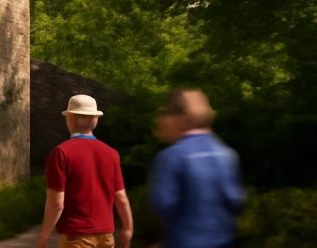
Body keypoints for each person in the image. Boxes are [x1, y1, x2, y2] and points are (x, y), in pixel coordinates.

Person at [149, 89, 245, 248]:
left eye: (165, 113)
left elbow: (163, 204)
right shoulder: (227, 154)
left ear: (180, 118)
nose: (160, 120)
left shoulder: (172, 157)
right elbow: (235, 199)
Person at [37, 95, 133, 248]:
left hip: (76, 236)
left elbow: (57, 202)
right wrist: (127, 229)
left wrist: (44, 235)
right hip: (106, 237)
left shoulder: (61, 152)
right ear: (95, 120)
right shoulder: (111, 154)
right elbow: (121, 197)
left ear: (70, 118)